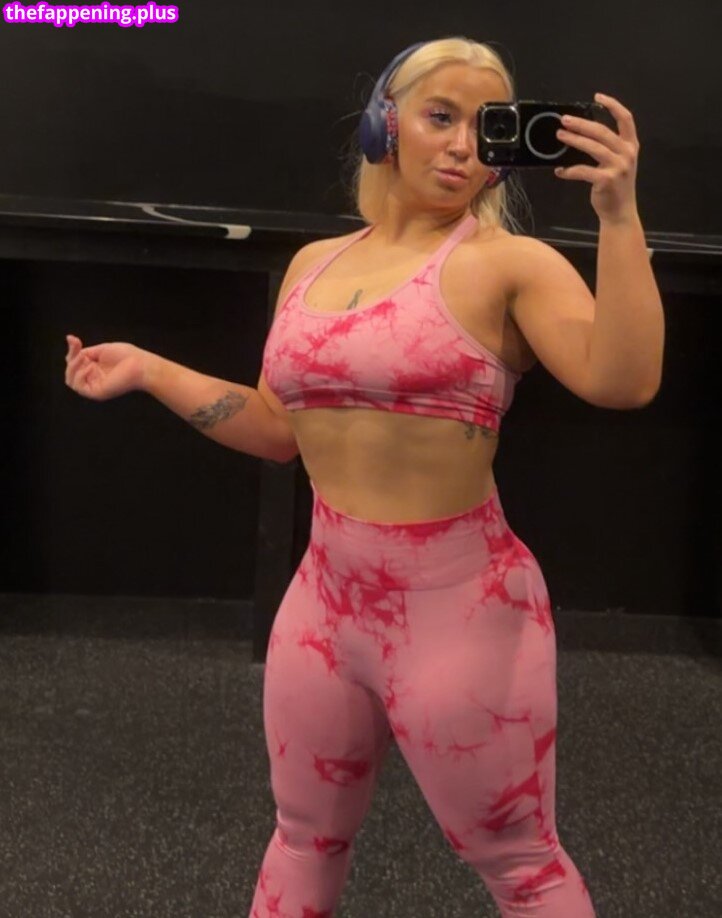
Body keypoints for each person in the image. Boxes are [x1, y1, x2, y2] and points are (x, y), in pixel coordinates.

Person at [65, 35, 663, 918]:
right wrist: (150, 370)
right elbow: (278, 430)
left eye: (486, 127)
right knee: (303, 836)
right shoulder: (314, 265)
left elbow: (624, 381)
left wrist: (618, 217)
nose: (462, 146)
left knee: (521, 863)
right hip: (325, 607)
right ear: (386, 124)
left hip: (461, 613)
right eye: (440, 116)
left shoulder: (508, 263)